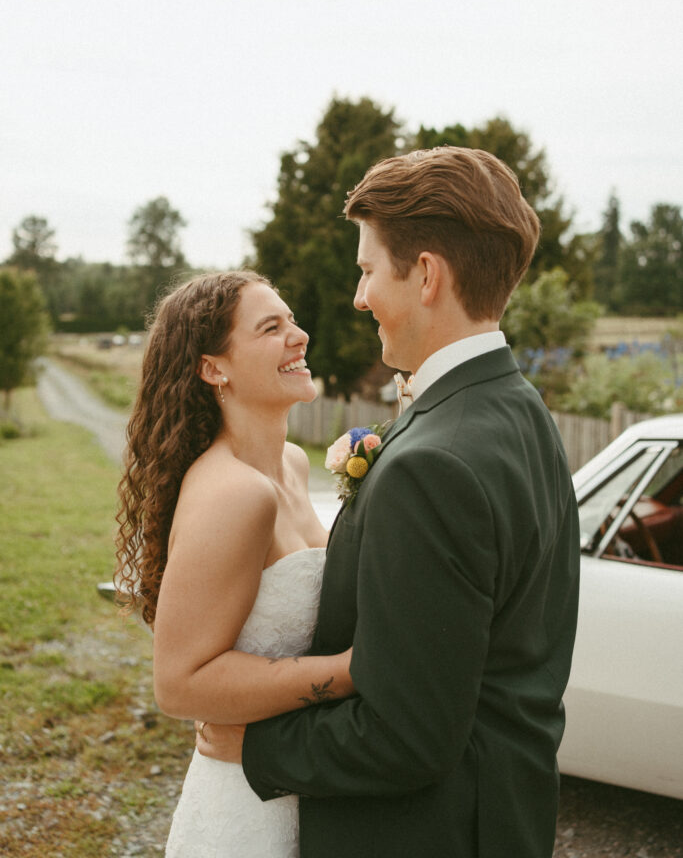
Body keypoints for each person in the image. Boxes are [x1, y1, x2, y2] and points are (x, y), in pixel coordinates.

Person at [197, 146, 581, 857]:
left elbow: (405, 737)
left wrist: (256, 745)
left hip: (425, 834)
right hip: (505, 814)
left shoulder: (431, 464)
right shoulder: (518, 410)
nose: (358, 296)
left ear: (427, 275)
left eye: (368, 269)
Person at [114, 270, 355, 858]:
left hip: (300, 772)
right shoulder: (234, 493)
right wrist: (355, 672)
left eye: (291, 320)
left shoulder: (293, 465)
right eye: (271, 328)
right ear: (213, 368)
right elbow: (179, 683)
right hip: (249, 807)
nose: (298, 336)